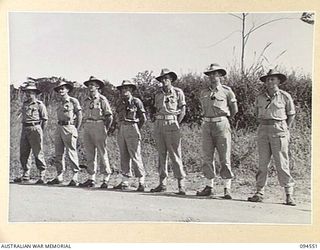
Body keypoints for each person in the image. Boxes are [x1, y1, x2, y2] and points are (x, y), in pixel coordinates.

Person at [248, 69, 296, 206]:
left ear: (278, 81)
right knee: (263, 163)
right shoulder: (260, 97)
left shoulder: (285, 96)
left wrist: (286, 128)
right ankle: (259, 192)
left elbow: (291, 114)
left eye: (273, 79)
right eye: (267, 79)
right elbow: (257, 114)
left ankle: (289, 194)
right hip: (263, 129)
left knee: (282, 163)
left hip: (279, 129)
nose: (270, 82)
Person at [196, 63, 238, 199]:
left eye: (215, 73)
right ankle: (209, 186)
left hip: (221, 124)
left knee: (224, 156)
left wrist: (224, 119)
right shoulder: (204, 92)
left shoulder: (227, 91)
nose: (212, 76)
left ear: (220, 75)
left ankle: (227, 188)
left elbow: (234, 109)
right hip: (207, 125)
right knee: (207, 156)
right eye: (210, 74)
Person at [150, 68, 187, 195]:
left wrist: (177, 122)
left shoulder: (178, 92)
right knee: (161, 155)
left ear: (171, 79)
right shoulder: (158, 94)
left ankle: (181, 185)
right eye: (162, 78)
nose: (164, 80)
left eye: (166, 78)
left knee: (175, 154)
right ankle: (162, 183)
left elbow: (183, 110)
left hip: (172, 123)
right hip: (159, 124)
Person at [79, 76, 113, 188]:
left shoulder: (102, 99)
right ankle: (91, 178)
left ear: (98, 87)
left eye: (92, 85)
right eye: (89, 85)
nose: (90, 87)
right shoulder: (86, 100)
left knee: (102, 153)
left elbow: (109, 116)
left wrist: (105, 129)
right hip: (88, 125)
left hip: (99, 124)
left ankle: (105, 178)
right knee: (90, 153)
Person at [47, 80, 82, 186]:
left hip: (69, 127)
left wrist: (75, 128)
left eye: (62, 88)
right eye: (59, 89)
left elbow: (79, 115)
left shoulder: (73, 101)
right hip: (59, 127)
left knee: (71, 152)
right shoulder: (59, 102)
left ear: (67, 89)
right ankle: (60, 175)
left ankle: (75, 176)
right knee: (58, 153)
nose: (60, 91)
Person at [113, 80, 147, 191]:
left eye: (127, 88)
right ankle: (125, 180)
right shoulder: (119, 102)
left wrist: (136, 128)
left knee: (135, 155)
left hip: (132, 126)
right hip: (122, 128)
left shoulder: (136, 101)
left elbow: (143, 118)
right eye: (123, 89)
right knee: (124, 154)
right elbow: (117, 115)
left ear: (131, 90)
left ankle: (141, 181)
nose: (124, 91)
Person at [14, 80, 48, 184]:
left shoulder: (39, 104)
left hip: (35, 128)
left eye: (31, 92)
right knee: (24, 152)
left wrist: (40, 130)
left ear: (35, 93)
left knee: (38, 153)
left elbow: (45, 119)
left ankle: (42, 174)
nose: (29, 94)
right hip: (25, 128)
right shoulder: (24, 104)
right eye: (27, 92)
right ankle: (26, 173)